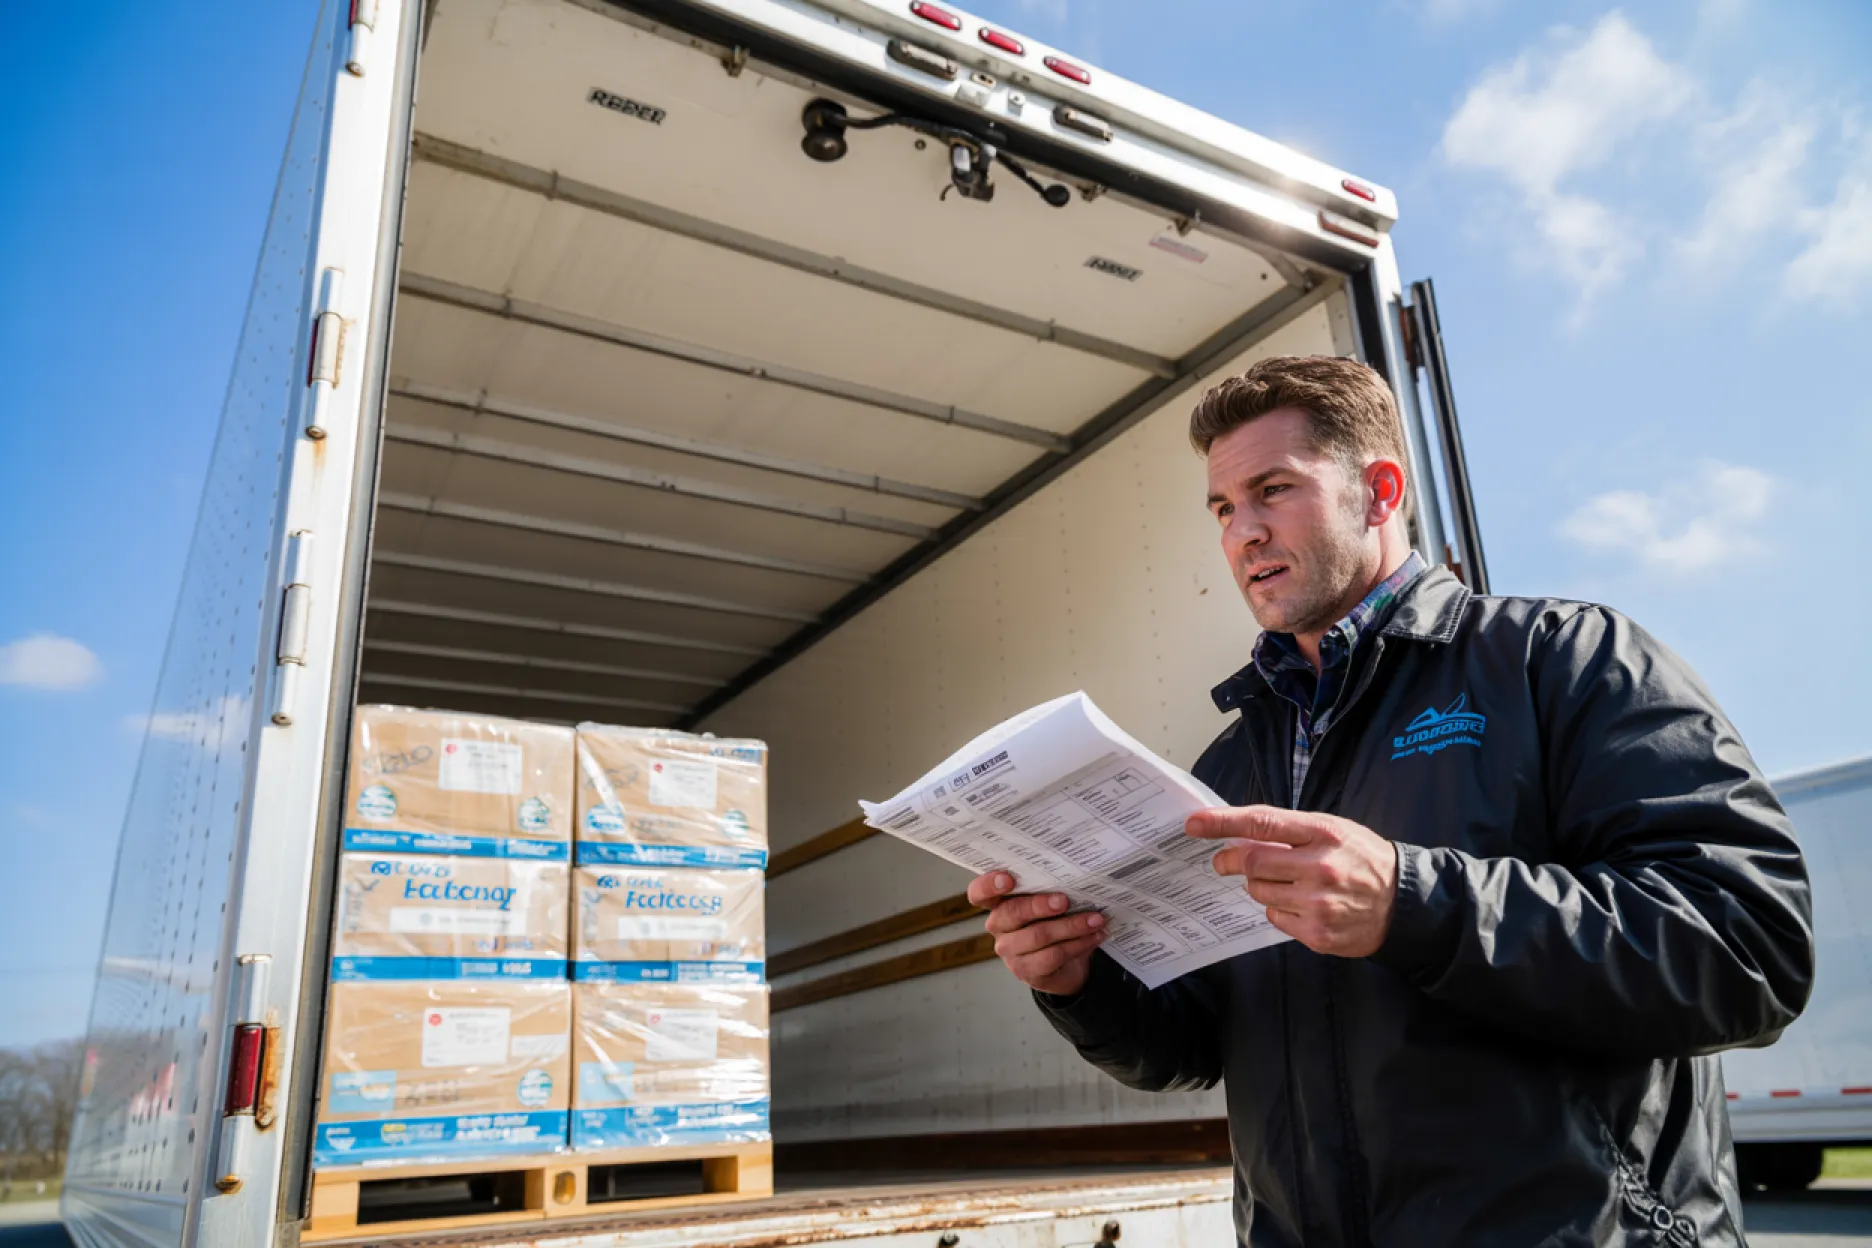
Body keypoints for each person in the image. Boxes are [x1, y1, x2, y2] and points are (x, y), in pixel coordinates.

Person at [965, 355, 1814, 1247]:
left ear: (1378, 491)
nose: (1241, 534)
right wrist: (1078, 983)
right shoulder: (1227, 765)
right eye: (1223, 508)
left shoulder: (1562, 660)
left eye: (1273, 490)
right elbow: (1195, 1047)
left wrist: (1414, 901)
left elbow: (1750, 945)